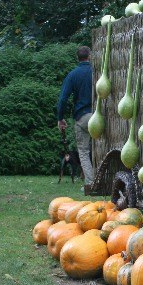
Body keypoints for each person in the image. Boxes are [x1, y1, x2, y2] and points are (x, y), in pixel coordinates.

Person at [57, 46, 94, 191]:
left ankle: (90, 184)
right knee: (101, 150)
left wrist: (60, 118)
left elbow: (63, 100)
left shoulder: (73, 75)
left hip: (82, 117)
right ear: (90, 56)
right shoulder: (97, 72)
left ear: (77, 58)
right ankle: (107, 181)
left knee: (83, 151)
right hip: (99, 116)